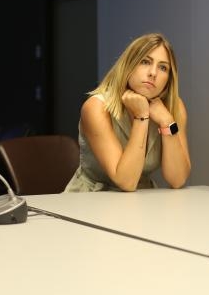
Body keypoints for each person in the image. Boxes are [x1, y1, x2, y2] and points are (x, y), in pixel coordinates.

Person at [65, 33, 191, 192]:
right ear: (128, 65)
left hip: (140, 198)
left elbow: (177, 179)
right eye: (145, 62)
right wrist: (141, 117)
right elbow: (126, 181)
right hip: (92, 197)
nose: (153, 73)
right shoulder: (96, 107)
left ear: (169, 78)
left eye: (163, 67)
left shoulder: (174, 108)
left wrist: (167, 122)